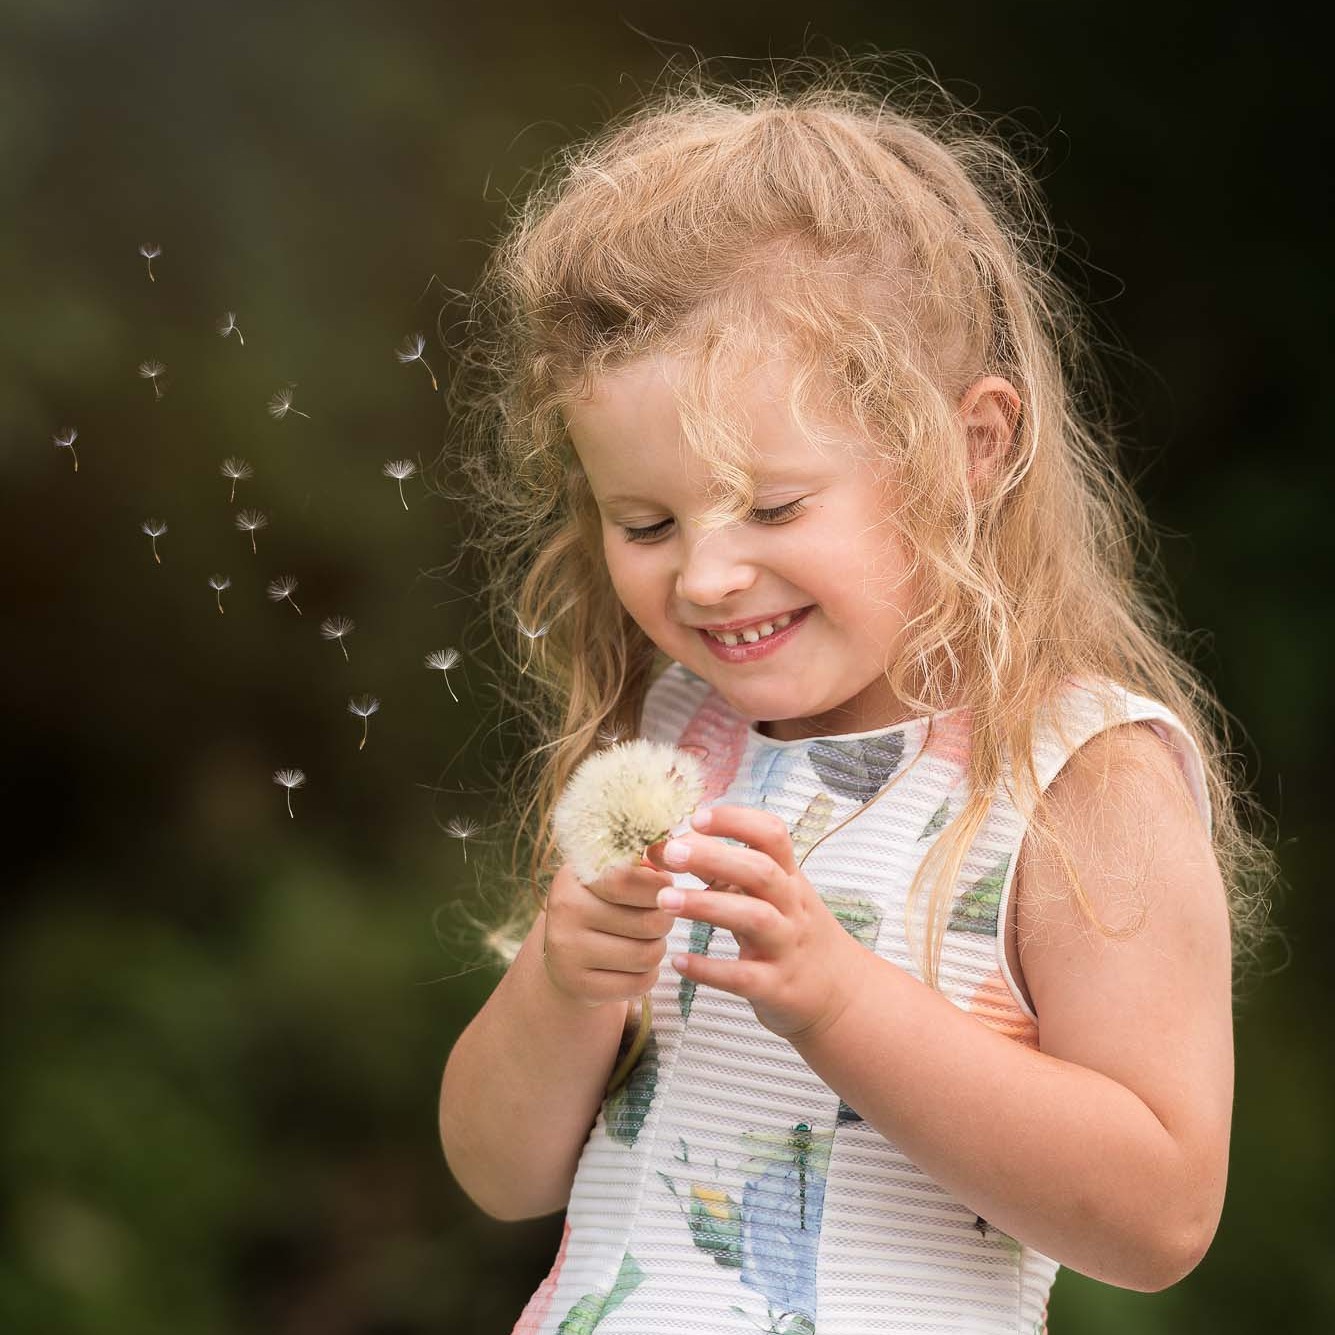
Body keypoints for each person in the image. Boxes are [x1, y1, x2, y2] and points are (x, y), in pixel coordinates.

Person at [436, 56, 1273, 1335]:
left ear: (969, 450)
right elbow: (500, 1176)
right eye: (644, 520)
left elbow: (1159, 1219)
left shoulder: (1077, 777)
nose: (709, 576)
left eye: (774, 505)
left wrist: (840, 1001)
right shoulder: (674, 741)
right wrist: (563, 983)